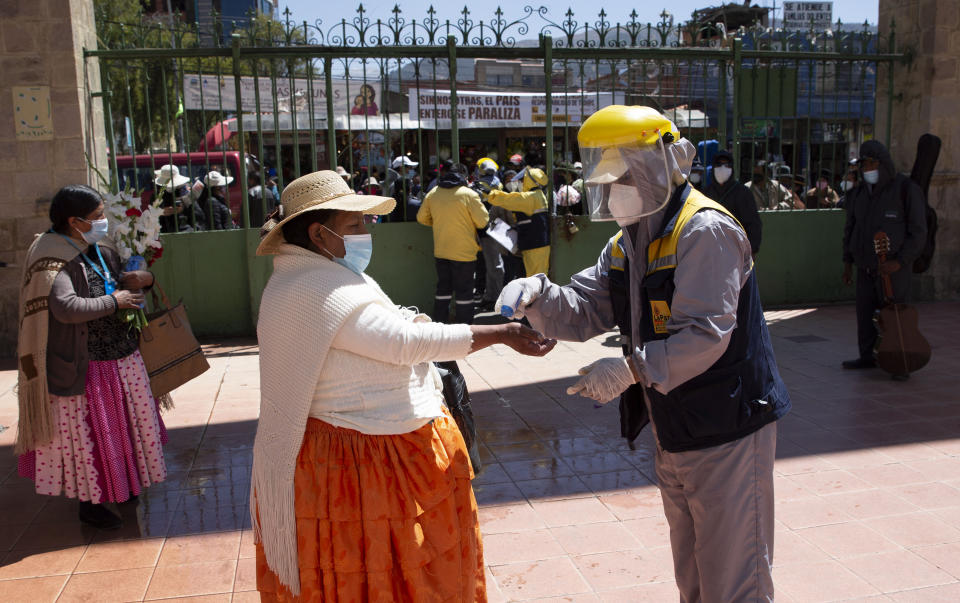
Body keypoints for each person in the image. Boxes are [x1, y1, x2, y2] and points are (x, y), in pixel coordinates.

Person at [497, 105, 791, 601]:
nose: (617, 191)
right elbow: (588, 305)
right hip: (675, 426)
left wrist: (631, 368)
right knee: (695, 574)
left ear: (664, 166)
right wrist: (537, 297)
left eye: (628, 176)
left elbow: (706, 332)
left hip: (728, 423)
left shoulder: (704, 231)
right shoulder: (628, 241)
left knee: (735, 580)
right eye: (610, 179)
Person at [251, 170, 555, 601]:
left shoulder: (313, 275)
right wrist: (499, 333)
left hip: (361, 452)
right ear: (319, 234)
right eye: (354, 225)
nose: (366, 232)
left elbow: (388, 323)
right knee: (390, 572)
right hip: (363, 463)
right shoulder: (316, 286)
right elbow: (401, 343)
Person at [16, 185, 169, 530]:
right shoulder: (51, 259)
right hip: (87, 369)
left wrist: (142, 279)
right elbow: (66, 308)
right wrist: (116, 302)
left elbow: (114, 282)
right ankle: (92, 501)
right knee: (95, 439)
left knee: (123, 432)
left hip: (121, 359)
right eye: (98, 216)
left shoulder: (95, 248)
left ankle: (124, 484)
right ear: (74, 221)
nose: (104, 221)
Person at [841, 140, 927, 379]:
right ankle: (867, 356)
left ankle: (902, 361)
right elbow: (851, 229)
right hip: (866, 266)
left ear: (882, 163)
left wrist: (900, 261)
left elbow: (919, 232)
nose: (866, 169)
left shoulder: (905, 190)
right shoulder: (858, 194)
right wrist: (847, 262)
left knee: (896, 315)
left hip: (894, 268)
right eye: (863, 164)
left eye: (870, 163)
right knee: (865, 313)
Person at [417, 163, 490, 324]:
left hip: (441, 251)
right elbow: (483, 221)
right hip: (464, 253)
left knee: (443, 288)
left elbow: (421, 218)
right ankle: (464, 325)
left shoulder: (433, 193)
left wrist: (439, 223)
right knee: (464, 291)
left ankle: (439, 322)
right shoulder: (468, 194)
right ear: (464, 176)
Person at [487, 167, 551, 278]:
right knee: (536, 279)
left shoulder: (531, 197)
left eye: (523, 180)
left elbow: (509, 200)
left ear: (530, 180)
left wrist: (490, 193)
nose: (521, 182)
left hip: (535, 245)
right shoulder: (536, 195)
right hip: (535, 244)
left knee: (535, 280)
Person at [704, 150, 763, 255]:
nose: (722, 168)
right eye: (718, 165)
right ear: (713, 168)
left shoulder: (743, 193)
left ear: (732, 168)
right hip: (711, 252)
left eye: (726, 165)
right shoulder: (706, 193)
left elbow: (753, 225)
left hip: (737, 250)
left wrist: (752, 251)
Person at [155, 164, 193, 233]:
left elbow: (195, 214)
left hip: (185, 232)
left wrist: (182, 209)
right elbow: (151, 214)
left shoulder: (184, 192)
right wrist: (161, 212)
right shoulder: (157, 195)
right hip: (164, 232)